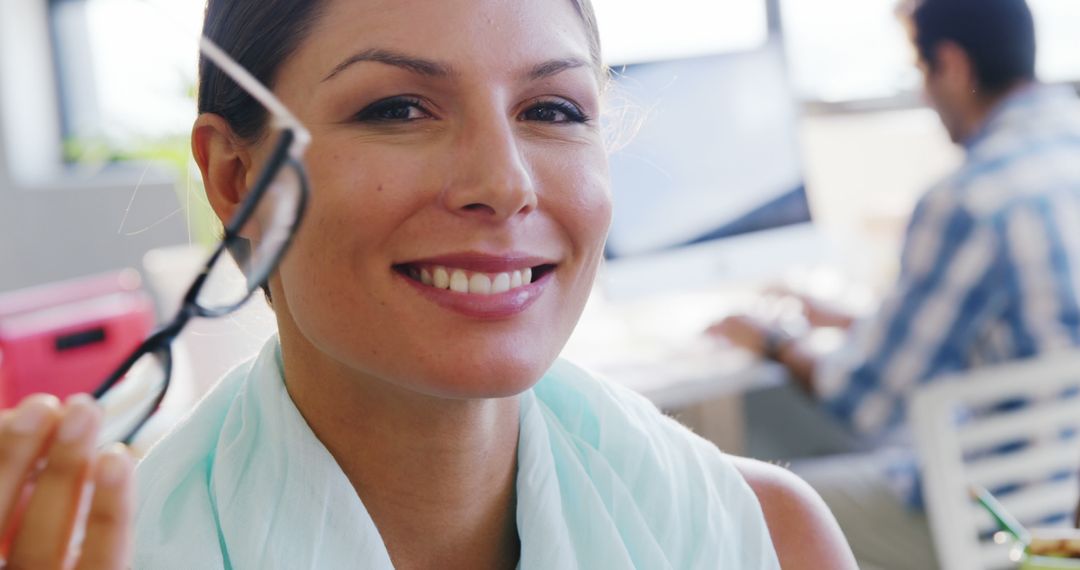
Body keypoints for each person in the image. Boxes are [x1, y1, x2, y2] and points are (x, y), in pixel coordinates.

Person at [0, 0, 858, 568]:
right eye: (399, 109)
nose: (505, 181)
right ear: (234, 181)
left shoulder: (768, 542)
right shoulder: (110, 555)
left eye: (552, 110)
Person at [711, 0, 1080, 568]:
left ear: (953, 66)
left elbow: (862, 398)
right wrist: (846, 318)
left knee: (745, 499)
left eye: (920, 72)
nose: (924, 95)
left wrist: (771, 340)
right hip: (1065, 507)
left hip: (990, 518)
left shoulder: (968, 199)